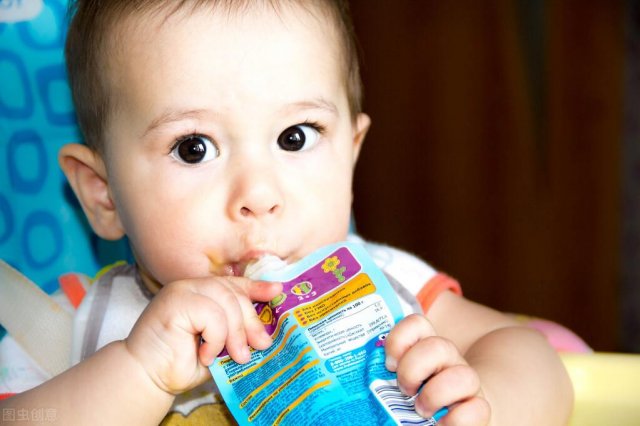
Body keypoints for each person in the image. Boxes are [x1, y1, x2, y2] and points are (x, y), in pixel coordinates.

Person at [0, 0, 573, 424]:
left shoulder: (387, 290)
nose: (259, 193)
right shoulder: (74, 326)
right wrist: (137, 372)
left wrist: (486, 402)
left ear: (351, 157)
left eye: (296, 137)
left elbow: (535, 355)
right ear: (103, 194)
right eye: (193, 148)